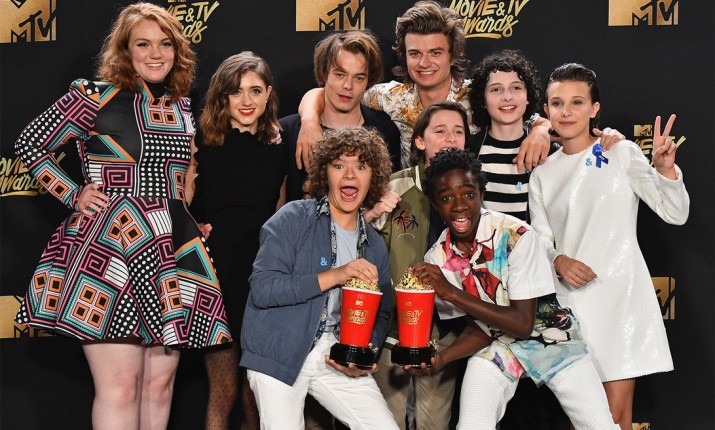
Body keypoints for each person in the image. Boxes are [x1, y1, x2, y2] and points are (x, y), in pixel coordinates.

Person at [13, 3, 231, 429]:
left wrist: (186, 219)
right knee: (121, 387)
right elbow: (30, 143)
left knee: (158, 388)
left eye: (165, 44)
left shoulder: (180, 105)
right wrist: (73, 192)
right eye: (143, 44)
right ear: (125, 50)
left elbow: (175, 177)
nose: (155, 54)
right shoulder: (93, 96)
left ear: (177, 50)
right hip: (112, 246)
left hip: (170, 250)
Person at [467, 49, 625, 428]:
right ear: (482, 99)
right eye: (496, 89)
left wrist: (609, 139)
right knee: (484, 402)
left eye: (516, 88)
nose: (506, 97)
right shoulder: (469, 152)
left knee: (544, 411)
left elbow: (592, 162)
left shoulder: (554, 151)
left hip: (542, 298)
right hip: (484, 300)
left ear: (529, 98)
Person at [528, 63, 690, 429]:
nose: (566, 112)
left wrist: (665, 170)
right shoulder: (542, 173)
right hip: (571, 304)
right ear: (547, 110)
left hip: (620, 299)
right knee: (585, 418)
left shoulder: (621, 152)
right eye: (557, 103)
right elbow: (540, 239)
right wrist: (558, 260)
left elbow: (675, 213)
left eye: (577, 102)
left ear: (594, 108)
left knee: (616, 417)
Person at [411, 148, 619, 430]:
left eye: (468, 194)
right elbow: (481, 328)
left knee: (599, 425)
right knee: (472, 424)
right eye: (446, 198)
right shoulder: (437, 259)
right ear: (435, 205)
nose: (459, 205)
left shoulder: (516, 236)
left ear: (481, 195)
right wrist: (441, 359)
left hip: (552, 338)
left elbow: (523, 324)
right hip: (500, 346)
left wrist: (450, 292)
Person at [240, 127, 399, 430]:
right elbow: (263, 289)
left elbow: (382, 312)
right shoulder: (293, 217)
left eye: (361, 166)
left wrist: (364, 353)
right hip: (279, 348)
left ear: (373, 177)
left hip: (333, 352)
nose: (350, 174)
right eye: (339, 165)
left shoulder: (374, 245)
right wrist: (337, 274)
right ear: (325, 173)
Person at [295, 0, 553, 174]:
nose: (425, 63)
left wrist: (542, 130)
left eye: (435, 53)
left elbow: (532, 119)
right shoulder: (389, 97)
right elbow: (328, 93)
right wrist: (309, 122)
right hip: (409, 217)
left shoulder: (477, 94)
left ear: (453, 55)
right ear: (404, 56)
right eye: (415, 53)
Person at [187, 52, 286, 430]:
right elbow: (181, 201)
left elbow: (279, 213)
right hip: (215, 273)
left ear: (268, 94)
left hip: (261, 275)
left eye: (255, 91)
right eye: (236, 91)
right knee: (224, 390)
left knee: (256, 393)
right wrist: (192, 229)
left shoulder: (279, 145)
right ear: (222, 96)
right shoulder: (200, 141)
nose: (246, 101)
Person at [367, 101, 470, 429]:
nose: (450, 138)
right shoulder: (392, 188)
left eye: (458, 131)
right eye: (440, 131)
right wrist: (369, 214)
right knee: (386, 422)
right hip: (393, 330)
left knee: (434, 424)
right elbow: (354, 243)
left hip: (446, 332)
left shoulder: (474, 193)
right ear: (420, 141)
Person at [280, 30, 401, 202]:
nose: (348, 85)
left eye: (358, 78)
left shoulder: (385, 130)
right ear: (324, 74)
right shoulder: (289, 131)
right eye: (340, 74)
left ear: (368, 82)